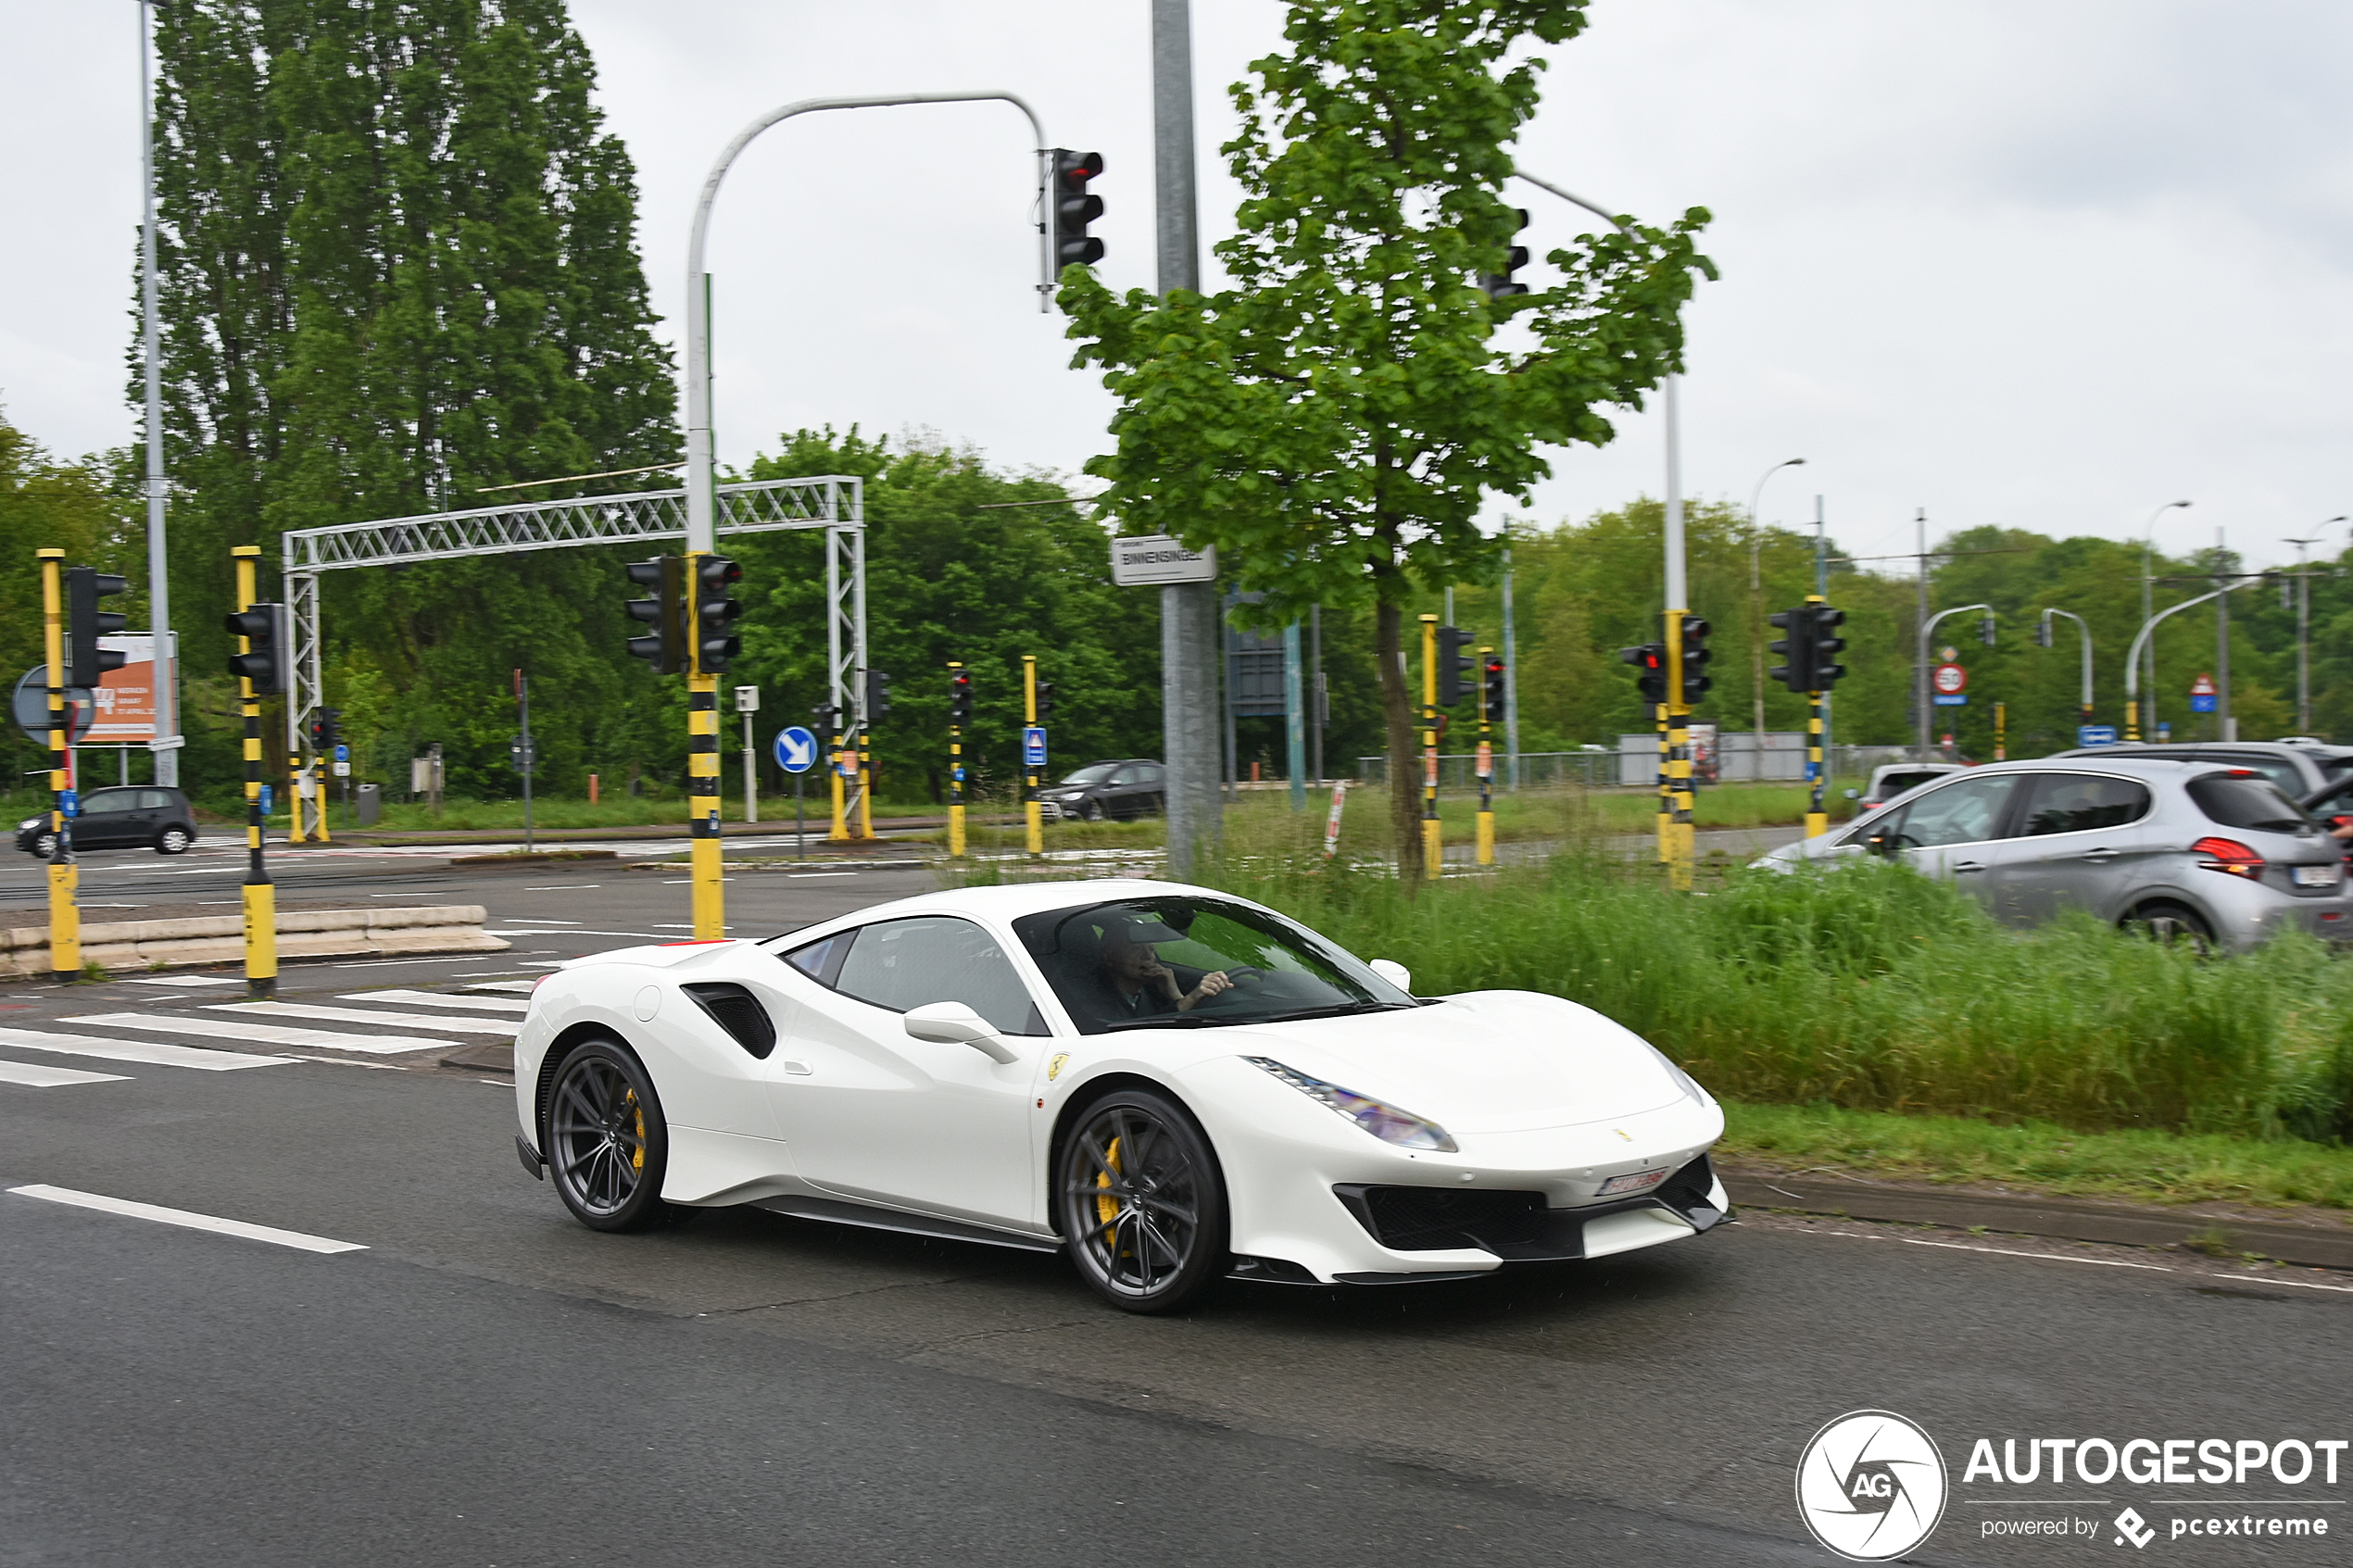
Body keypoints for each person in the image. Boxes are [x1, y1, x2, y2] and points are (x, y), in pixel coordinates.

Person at [1083, 913, 1232, 1025]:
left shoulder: (1155, 988)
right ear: (1109, 957)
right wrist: (1191, 998)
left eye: (1152, 949)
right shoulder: (1092, 1000)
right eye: (1136, 949)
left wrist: (1174, 995)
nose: (1148, 956)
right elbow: (1145, 1032)